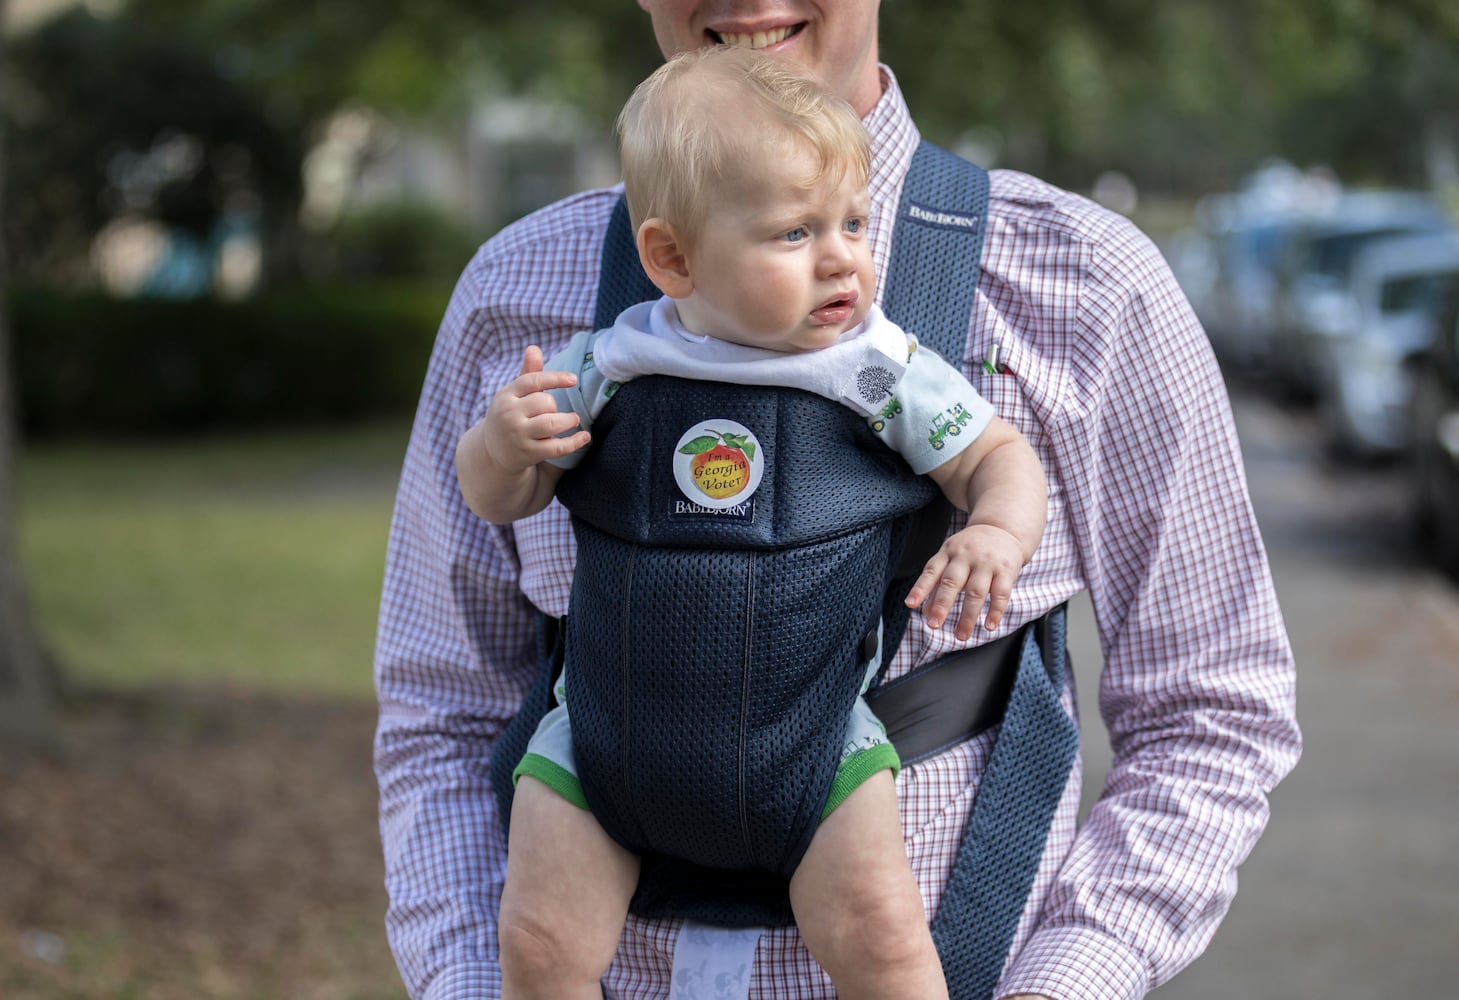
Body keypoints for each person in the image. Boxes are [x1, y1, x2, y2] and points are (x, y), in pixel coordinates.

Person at [374, 3, 1302, 998]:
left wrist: (1064, 982)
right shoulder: (522, 297)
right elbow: (445, 710)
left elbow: (1213, 714)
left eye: (848, 228)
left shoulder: (1082, 285)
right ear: (668, 257)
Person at [453, 46, 1047, 1000]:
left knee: (885, 941)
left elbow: (1000, 459)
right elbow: (498, 500)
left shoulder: (877, 367)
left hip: (808, 742)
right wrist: (504, 443)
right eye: (793, 232)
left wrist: (996, 534)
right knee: (537, 940)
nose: (842, 255)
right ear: (673, 257)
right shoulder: (611, 362)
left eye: (853, 222)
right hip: (606, 734)